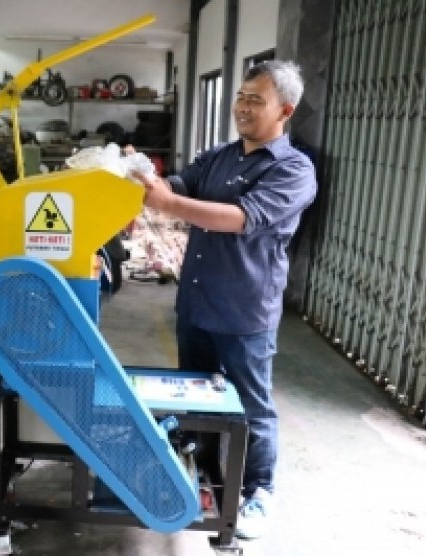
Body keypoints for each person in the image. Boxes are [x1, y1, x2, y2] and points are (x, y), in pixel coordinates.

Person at [132, 60, 317, 539]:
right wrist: (147, 182)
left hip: (243, 312)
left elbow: (240, 218)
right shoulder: (220, 155)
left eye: (256, 99)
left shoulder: (294, 170)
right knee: (196, 397)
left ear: (285, 110)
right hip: (196, 304)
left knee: (251, 406)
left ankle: (259, 492)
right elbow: (183, 184)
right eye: (240, 96)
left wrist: (169, 204)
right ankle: (204, 475)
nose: (242, 106)